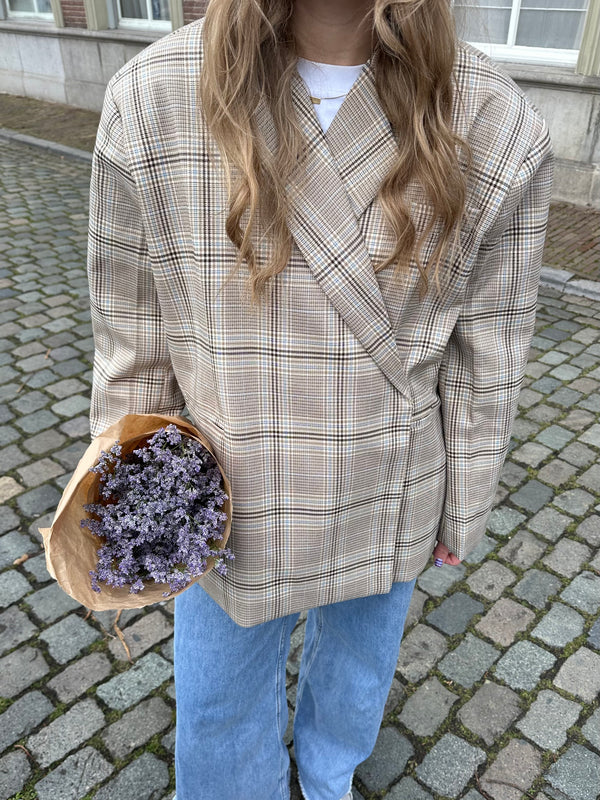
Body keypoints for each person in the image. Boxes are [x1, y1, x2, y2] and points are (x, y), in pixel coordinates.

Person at [87, 0, 553, 798]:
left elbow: (491, 351)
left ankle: (329, 771)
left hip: (390, 475)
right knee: (218, 705)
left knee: (360, 666)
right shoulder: (155, 96)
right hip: (229, 495)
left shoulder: (493, 118)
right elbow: (134, 336)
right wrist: (127, 489)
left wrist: (463, 501)